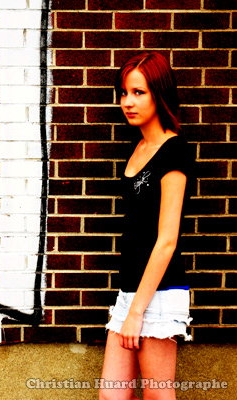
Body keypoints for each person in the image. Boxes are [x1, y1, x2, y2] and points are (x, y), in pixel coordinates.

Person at [99, 51, 193, 400]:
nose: (127, 102)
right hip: (130, 291)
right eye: (124, 93)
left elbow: (167, 239)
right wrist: (131, 305)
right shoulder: (139, 146)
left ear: (159, 94)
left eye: (138, 92)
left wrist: (137, 312)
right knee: (112, 396)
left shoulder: (175, 151)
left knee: (157, 396)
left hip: (159, 295)